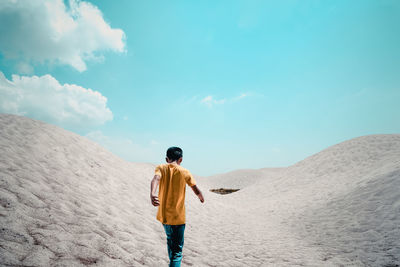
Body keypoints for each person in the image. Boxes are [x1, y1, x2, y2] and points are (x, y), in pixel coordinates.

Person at [150, 147, 204, 267]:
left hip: (164, 218)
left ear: (166, 159)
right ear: (181, 159)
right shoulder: (185, 171)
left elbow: (156, 179)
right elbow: (194, 188)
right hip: (178, 218)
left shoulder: (161, 168)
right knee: (177, 252)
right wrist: (201, 196)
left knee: (171, 243)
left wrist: (153, 193)